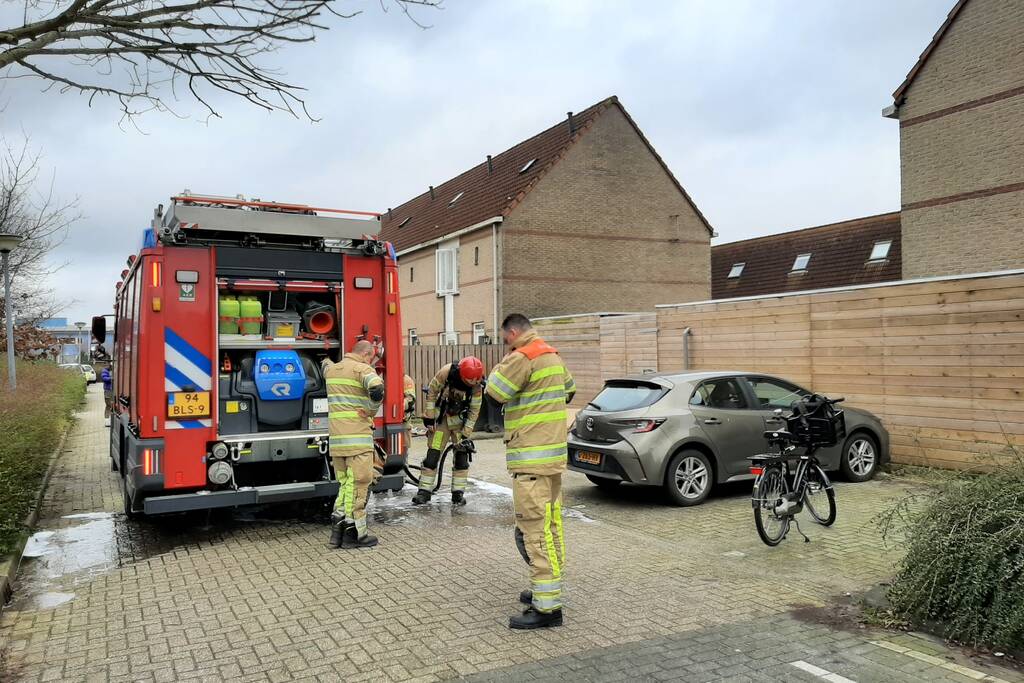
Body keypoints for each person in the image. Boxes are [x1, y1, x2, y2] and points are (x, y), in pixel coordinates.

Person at [486, 314, 575, 630]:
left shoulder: (522, 356)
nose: (504, 343)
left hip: (530, 463)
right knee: (551, 525)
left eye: (504, 338)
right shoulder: (551, 354)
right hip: (551, 462)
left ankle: (547, 608)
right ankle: (546, 588)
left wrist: (505, 360)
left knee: (533, 532)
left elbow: (494, 392)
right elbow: (570, 391)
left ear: (512, 333)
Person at [323, 340, 385, 549]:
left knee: (345, 485)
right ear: (367, 354)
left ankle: (336, 535)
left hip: (337, 442)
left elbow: (323, 365)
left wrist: (325, 355)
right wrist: (370, 410)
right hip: (357, 439)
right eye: (372, 357)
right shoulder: (362, 369)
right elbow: (377, 389)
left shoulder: (332, 370)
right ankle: (354, 534)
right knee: (359, 484)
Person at [410, 357, 485, 506]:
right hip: (442, 420)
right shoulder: (446, 372)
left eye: (474, 381)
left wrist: (466, 433)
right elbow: (432, 392)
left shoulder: (477, 385)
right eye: (469, 381)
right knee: (433, 455)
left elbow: (474, 410)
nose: (471, 384)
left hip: (459, 423)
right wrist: (430, 418)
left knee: (462, 458)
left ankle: (458, 493)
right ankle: (424, 492)